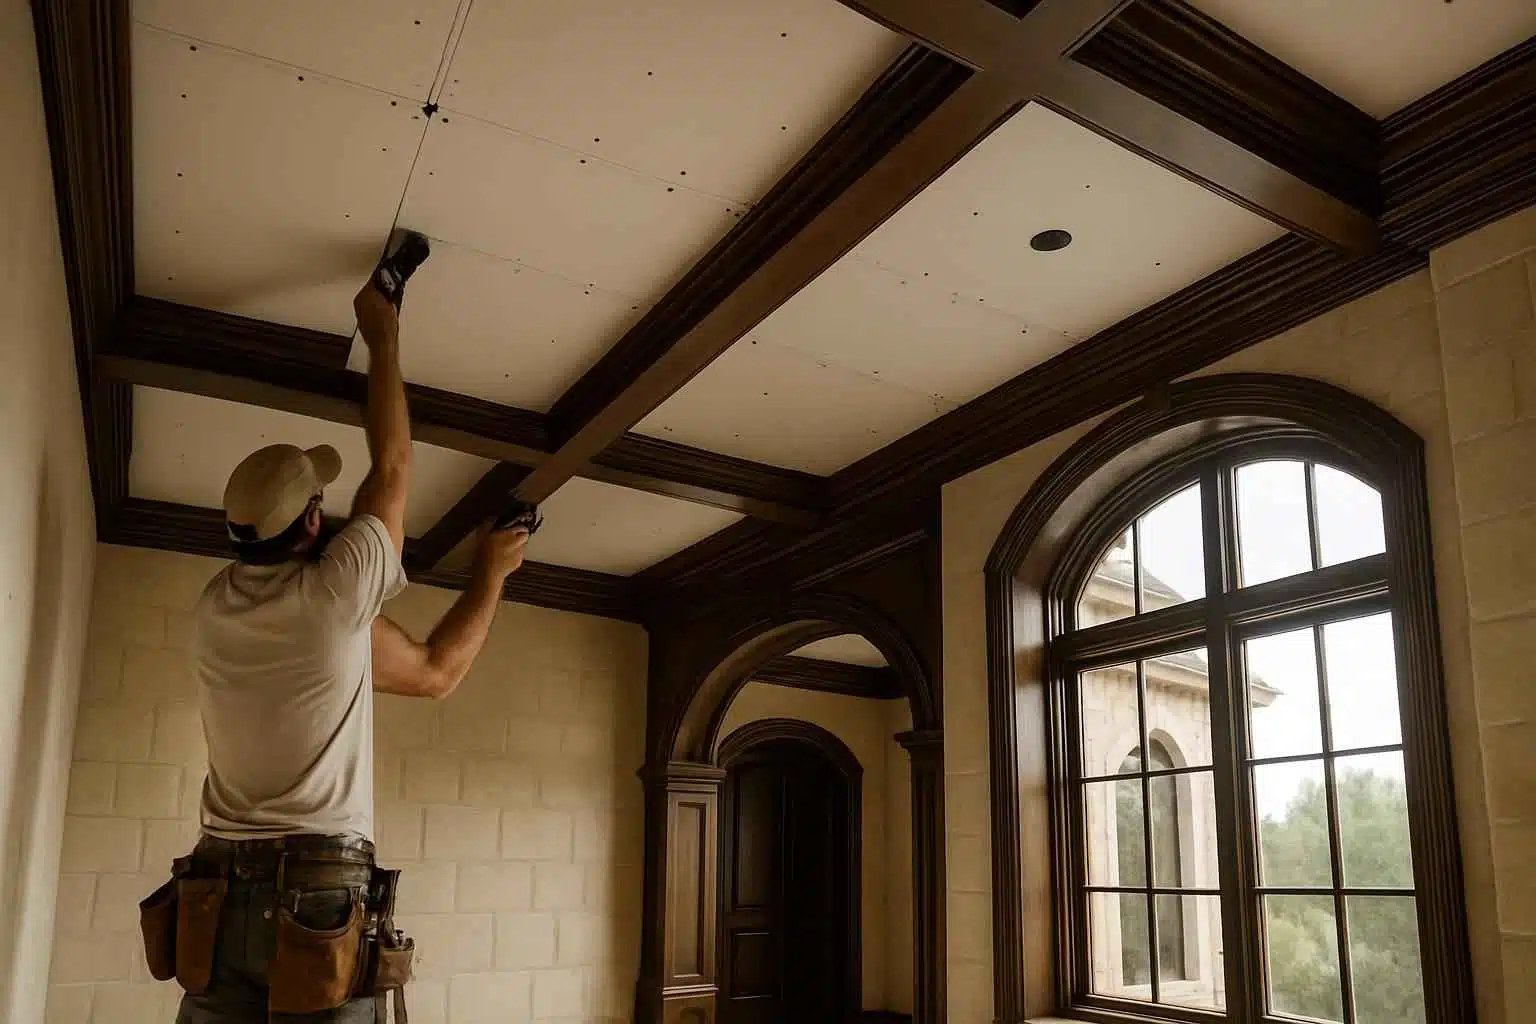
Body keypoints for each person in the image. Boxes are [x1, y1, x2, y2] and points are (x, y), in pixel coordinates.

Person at [165, 235, 529, 1022]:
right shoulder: (334, 599)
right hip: (316, 892)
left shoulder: (217, 608)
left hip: (217, 890)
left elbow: (431, 672)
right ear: (314, 521)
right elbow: (392, 466)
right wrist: (382, 332)